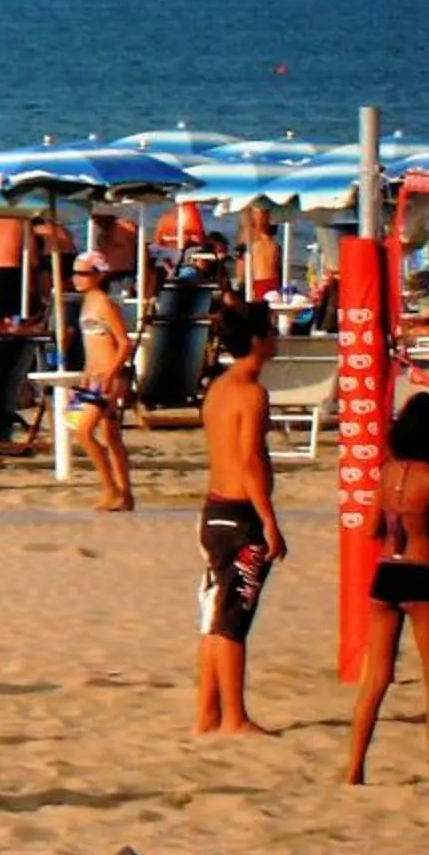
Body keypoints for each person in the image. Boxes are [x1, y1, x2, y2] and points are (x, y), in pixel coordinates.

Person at [344, 394, 429, 787]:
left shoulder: (387, 472)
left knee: (376, 678)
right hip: (421, 578)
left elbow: (372, 529)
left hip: (386, 574)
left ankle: (355, 767)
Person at [194, 300, 286, 737]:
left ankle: (207, 714)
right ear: (256, 340)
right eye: (270, 329)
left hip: (213, 512)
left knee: (215, 615)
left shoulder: (219, 386)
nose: (276, 336)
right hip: (240, 514)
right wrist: (269, 521)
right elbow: (250, 460)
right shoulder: (251, 393)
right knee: (233, 619)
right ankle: (234, 717)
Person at [68, 253, 135, 513]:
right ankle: (125, 494)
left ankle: (111, 489)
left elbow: (124, 343)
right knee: (110, 436)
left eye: (84, 273)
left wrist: (110, 372)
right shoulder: (87, 304)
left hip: (109, 378)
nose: (77, 278)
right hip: (94, 377)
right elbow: (93, 344)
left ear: (99, 275)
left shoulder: (105, 304)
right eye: (75, 272)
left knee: (84, 432)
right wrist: (87, 369)